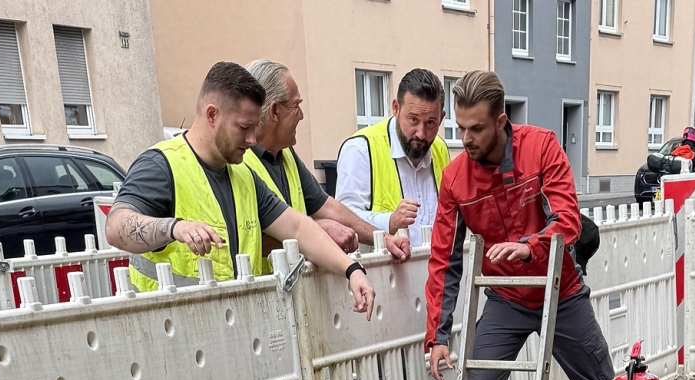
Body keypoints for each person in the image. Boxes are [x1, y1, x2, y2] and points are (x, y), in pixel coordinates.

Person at [425, 71, 616, 380]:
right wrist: (437, 336)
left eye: (476, 129)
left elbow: (567, 218)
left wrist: (532, 245)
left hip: (559, 291)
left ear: (501, 121)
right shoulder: (455, 180)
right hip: (508, 299)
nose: (465, 139)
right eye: (460, 128)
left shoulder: (541, 147)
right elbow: (445, 261)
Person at [105, 61, 377, 304]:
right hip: (173, 336)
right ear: (212, 115)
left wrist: (351, 270)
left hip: (235, 332)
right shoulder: (161, 165)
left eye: (255, 127)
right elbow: (116, 227)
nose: (251, 139)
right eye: (244, 128)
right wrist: (174, 227)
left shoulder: (243, 176)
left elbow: (296, 226)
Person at [245, 60, 412, 263]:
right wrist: (316, 231)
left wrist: (383, 239)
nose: (302, 115)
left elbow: (328, 207)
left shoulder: (286, 154)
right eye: (296, 106)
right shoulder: (239, 162)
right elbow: (246, 237)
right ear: (274, 111)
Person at [335, 68, 450, 242]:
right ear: (396, 108)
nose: (421, 133)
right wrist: (389, 221)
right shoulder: (361, 149)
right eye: (413, 120)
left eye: (431, 123)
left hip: (434, 266)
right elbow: (342, 220)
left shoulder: (440, 149)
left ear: (441, 118)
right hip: (380, 268)